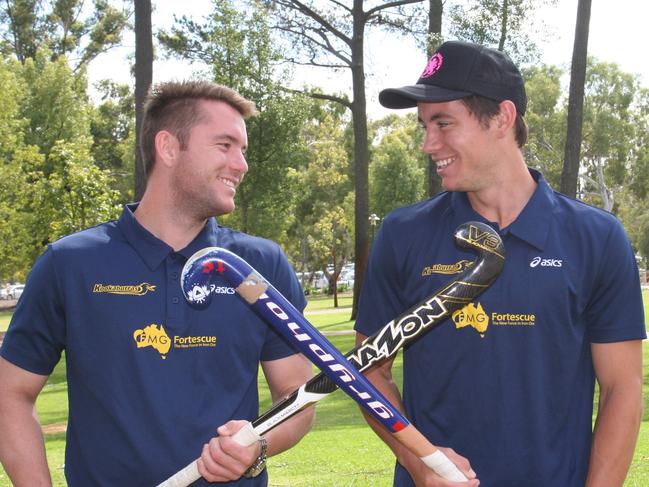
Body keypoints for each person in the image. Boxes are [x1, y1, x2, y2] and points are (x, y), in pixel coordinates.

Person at [355, 40, 645, 487]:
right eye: (424, 126)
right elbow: (369, 369)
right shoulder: (402, 234)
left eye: (444, 124)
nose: (428, 144)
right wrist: (419, 461)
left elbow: (621, 390)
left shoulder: (597, 238)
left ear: (502, 118)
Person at [0, 80, 315, 486]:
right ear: (167, 147)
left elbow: (296, 395)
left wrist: (260, 442)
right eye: (224, 146)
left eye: (243, 150)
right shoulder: (70, 263)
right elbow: (11, 393)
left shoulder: (259, 265)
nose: (242, 164)